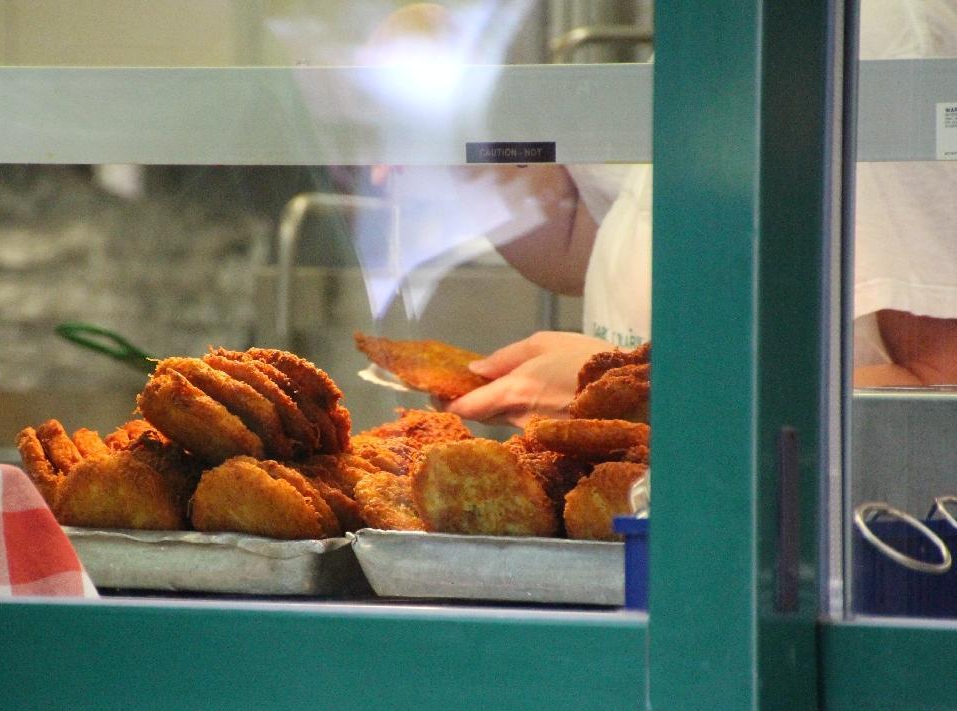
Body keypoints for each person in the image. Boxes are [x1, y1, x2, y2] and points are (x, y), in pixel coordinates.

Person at [374, 1, 957, 428]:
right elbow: (587, 242)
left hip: (787, 536)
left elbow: (938, 387)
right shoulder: (718, 22)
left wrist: (630, 391)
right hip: (662, 512)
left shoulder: (866, 34)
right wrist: (465, 146)